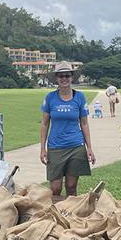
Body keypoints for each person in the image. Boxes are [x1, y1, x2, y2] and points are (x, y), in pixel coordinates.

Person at [40, 61, 96, 200]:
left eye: (67, 75)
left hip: (75, 146)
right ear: (57, 79)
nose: (64, 79)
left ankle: (71, 217)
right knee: (55, 188)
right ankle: (56, 217)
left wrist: (89, 147)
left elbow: (84, 123)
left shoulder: (79, 97)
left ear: (72, 77)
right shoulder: (50, 98)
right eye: (61, 76)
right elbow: (45, 124)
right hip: (55, 147)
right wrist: (42, 148)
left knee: (71, 187)